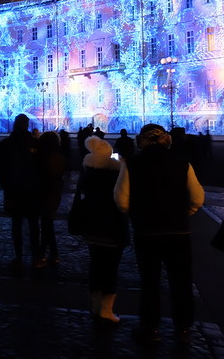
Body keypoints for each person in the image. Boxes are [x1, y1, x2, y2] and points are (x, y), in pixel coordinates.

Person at [114, 123, 205, 343]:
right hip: (178, 230)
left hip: (147, 231)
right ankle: (183, 326)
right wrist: (185, 213)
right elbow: (197, 198)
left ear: (142, 141)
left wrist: (136, 214)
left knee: (149, 281)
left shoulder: (132, 164)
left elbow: (121, 200)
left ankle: (150, 326)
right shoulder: (182, 162)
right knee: (181, 280)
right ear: (165, 139)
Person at [78, 135, 128, 323]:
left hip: (92, 226)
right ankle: (107, 309)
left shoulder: (87, 170)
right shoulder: (115, 171)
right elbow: (122, 197)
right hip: (113, 226)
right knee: (111, 268)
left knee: (95, 265)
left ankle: (96, 305)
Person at [0, 114, 43, 271]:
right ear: (27, 125)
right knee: (33, 225)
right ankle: (36, 257)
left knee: (16, 225)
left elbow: (0, 169)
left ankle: (19, 257)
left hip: (13, 191)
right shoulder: (35, 143)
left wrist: (6, 185)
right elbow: (41, 168)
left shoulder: (6, 144)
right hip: (32, 191)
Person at [37, 131, 66, 265]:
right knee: (47, 223)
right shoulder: (59, 157)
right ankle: (50, 254)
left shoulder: (43, 157)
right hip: (55, 194)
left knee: (46, 224)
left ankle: (47, 254)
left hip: (45, 193)